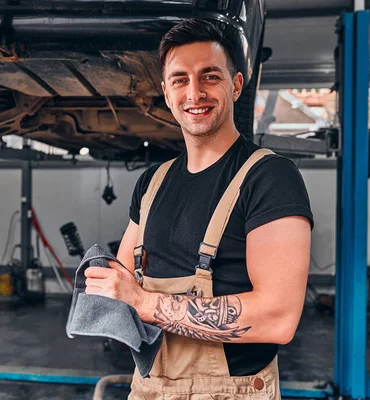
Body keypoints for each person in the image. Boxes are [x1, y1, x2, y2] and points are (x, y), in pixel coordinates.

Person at [84, 18, 313, 400]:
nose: (195, 93)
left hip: (231, 391)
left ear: (236, 85)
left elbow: (279, 318)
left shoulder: (269, 178)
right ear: (166, 92)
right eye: (180, 80)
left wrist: (143, 302)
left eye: (209, 76)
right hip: (150, 386)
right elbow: (122, 285)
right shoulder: (152, 183)